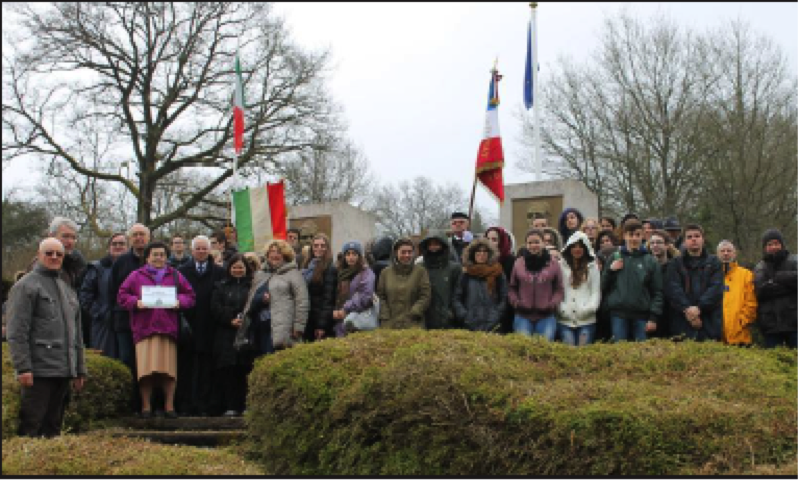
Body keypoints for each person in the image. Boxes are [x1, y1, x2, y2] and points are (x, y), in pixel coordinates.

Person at [7, 238, 87, 437]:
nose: (54, 257)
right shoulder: (25, 286)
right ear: (39, 254)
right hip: (38, 371)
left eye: (58, 254)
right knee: (31, 427)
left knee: (53, 429)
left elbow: (77, 335)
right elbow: (17, 331)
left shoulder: (67, 288)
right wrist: (23, 367)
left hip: (63, 370)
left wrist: (79, 369)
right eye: (49, 253)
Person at [117, 241, 195, 419]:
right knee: (146, 371)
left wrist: (179, 302)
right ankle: (146, 406)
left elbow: (190, 296)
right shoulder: (136, 276)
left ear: (166, 257)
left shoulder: (175, 275)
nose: (158, 258)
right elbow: (122, 295)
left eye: (162, 254)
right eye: (155, 254)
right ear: (147, 257)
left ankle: (169, 406)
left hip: (168, 329)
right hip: (144, 329)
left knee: (168, 371)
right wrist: (135, 302)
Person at [177, 235, 225, 416]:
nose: (202, 251)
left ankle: (206, 405)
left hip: (211, 326)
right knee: (187, 368)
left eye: (205, 248)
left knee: (208, 369)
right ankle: (187, 404)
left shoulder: (219, 272)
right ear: (192, 250)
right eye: (198, 248)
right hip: (188, 326)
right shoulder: (181, 271)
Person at [239, 240, 309, 354]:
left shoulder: (294, 274)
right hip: (259, 328)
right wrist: (261, 299)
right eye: (271, 252)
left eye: (278, 252)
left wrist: (298, 327)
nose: (274, 255)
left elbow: (302, 302)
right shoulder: (260, 275)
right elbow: (251, 300)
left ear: (285, 255)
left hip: (283, 328)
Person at [110, 223, 150, 413]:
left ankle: (149, 404)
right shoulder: (121, 262)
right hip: (125, 321)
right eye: (135, 235)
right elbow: (114, 291)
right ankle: (130, 405)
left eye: (142, 234)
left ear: (148, 237)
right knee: (128, 361)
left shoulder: (157, 259)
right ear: (130, 238)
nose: (139, 238)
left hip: (151, 323)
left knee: (149, 363)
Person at [602, 220, 663, 343]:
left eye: (637, 234)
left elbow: (658, 291)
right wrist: (610, 270)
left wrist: (653, 317)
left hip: (642, 315)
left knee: (641, 354)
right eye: (631, 234)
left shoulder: (650, 261)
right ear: (624, 235)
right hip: (618, 314)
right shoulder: (614, 257)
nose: (634, 238)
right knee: (619, 352)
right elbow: (602, 286)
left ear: (642, 236)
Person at [210, 254, 255, 416]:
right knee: (227, 371)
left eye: (241, 267)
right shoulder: (220, 286)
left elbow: (253, 306)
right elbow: (215, 307)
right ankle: (230, 406)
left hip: (246, 334)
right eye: (235, 267)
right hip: (225, 334)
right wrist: (230, 319)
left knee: (244, 370)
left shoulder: (252, 286)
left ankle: (245, 405)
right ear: (229, 268)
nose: (238, 270)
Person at [665, 224, 723, 342]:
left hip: (709, 322)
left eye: (697, 236)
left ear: (703, 239)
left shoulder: (714, 263)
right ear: (685, 241)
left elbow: (716, 289)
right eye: (689, 237)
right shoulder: (675, 263)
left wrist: (699, 308)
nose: (693, 239)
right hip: (681, 322)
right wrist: (688, 310)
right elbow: (673, 289)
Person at [508, 229, 564, 341]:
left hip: (546, 316)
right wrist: (516, 302)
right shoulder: (519, 263)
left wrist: (552, 304)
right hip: (523, 315)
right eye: (530, 243)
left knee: (544, 349)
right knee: (523, 348)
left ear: (543, 243)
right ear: (526, 244)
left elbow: (559, 288)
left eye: (537, 242)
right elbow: (512, 287)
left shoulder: (553, 263)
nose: (533, 245)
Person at [79, 232, 127, 359]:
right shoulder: (97, 268)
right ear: (108, 247)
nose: (118, 246)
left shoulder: (135, 267)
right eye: (114, 244)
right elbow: (85, 295)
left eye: (121, 244)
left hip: (128, 322)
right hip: (103, 324)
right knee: (104, 358)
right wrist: (100, 313)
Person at [753, 229, 798, 349]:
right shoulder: (760, 267)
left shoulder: (795, 260)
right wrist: (791, 286)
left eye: (776, 243)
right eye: (770, 244)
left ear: (782, 245)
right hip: (771, 325)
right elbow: (761, 291)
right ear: (765, 247)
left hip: (794, 322)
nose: (773, 247)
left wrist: (777, 277)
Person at [453, 238, 507, 332]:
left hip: (493, 324)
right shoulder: (465, 274)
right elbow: (456, 298)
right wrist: (464, 316)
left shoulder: (498, 272)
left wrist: (497, 314)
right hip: (469, 324)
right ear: (472, 254)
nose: (481, 254)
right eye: (478, 251)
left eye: (485, 252)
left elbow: (504, 296)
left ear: (489, 254)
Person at [557, 232, 601, 346]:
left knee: (583, 352)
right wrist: (562, 309)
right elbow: (557, 290)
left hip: (586, 319)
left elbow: (595, 292)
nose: (577, 249)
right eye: (574, 246)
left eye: (580, 246)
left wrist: (589, 309)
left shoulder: (593, 267)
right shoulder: (560, 266)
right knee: (569, 352)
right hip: (565, 319)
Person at [377, 238, 431, 329]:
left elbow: (425, 295)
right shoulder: (385, 273)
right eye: (403, 252)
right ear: (396, 253)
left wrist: (415, 311)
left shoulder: (420, 272)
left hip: (414, 323)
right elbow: (381, 296)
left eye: (410, 252)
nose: (407, 255)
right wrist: (385, 315)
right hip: (390, 324)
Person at [716, 240, 758, 347]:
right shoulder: (711, 275)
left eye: (729, 251)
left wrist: (742, 322)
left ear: (734, 254)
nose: (726, 253)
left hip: (740, 335)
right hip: (716, 336)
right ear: (717, 254)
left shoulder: (746, 274)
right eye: (722, 251)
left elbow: (751, 302)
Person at [332, 241, 376, 336]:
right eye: (348, 254)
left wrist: (345, 309)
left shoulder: (366, 273)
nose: (351, 257)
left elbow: (365, 296)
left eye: (354, 254)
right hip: (340, 321)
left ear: (359, 256)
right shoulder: (340, 273)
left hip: (358, 321)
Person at [418, 234, 461, 330]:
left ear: (443, 246)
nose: (433, 247)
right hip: (425, 318)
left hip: (448, 320)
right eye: (430, 244)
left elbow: (458, 293)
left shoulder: (454, 268)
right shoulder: (420, 268)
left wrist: (452, 312)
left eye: (436, 244)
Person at [301, 233, 337, 341]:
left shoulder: (330, 269)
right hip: (307, 318)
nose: (319, 248)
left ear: (327, 248)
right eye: (316, 246)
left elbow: (328, 300)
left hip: (319, 320)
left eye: (322, 245)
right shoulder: (307, 266)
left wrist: (322, 325)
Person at [485, 226, 516, 334]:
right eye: (487, 239)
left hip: (506, 308)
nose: (490, 242)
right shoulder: (481, 259)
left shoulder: (511, 261)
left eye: (494, 239)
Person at [647, 230, 675, 339]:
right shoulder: (646, 267)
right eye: (652, 243)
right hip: (650, 316)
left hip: (671, 316)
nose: (655, 246)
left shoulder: (675, 267)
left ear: (667, 245)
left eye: (658, 242)